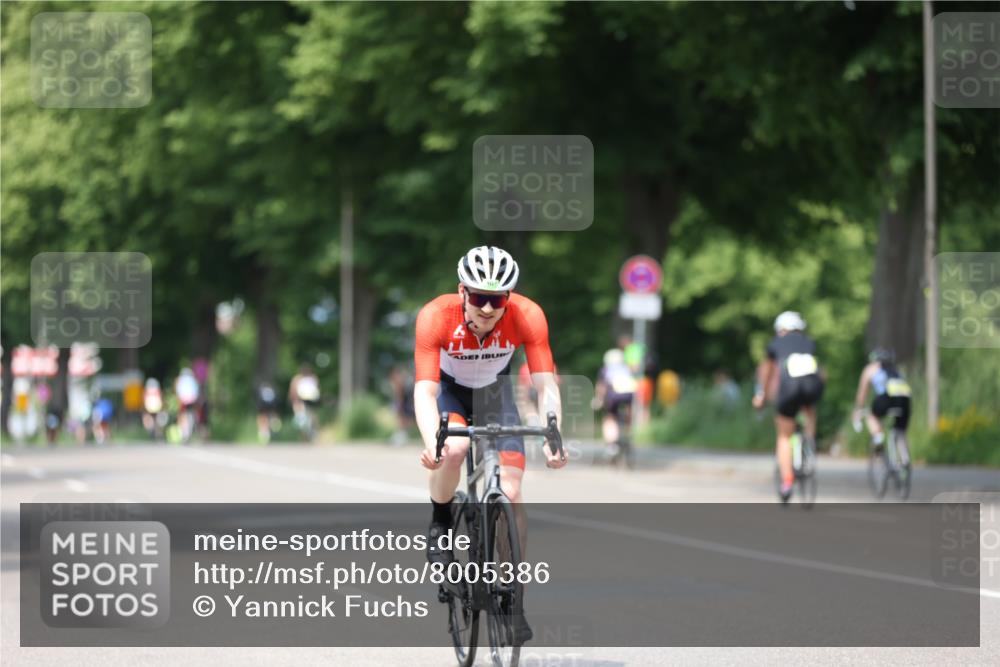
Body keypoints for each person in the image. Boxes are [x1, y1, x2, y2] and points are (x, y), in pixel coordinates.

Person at [414, 246, 565, 641]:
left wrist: (553, 432)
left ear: (508, 298)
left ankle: (513, 595)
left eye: (496, 299)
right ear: (461, 290)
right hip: (451, 394)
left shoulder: (527, 315)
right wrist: (434, 441)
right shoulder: (435, 316)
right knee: (457, 449)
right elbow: (425, 392)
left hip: (496, 396)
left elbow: (546, 383)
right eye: (478, 297)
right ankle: (440, 521)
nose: (486, 308)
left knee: (511, 491)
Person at [752, 311, 824, 503]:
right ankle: (809, 443)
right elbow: (821, 372)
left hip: (789, 388)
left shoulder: (775, 344)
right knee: (809, 410)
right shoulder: (809, 343)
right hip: (812, 385)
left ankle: (787, 481)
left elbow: (767, 373)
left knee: (784, 435)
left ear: (780, 329)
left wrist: (761, 396)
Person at [852, 348, 911, 461]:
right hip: (905, 398)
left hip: (886, 397)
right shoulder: (896, 369)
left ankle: (878, 438)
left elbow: (862, 394)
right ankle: (904, 459)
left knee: (871, 414)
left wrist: (858, 409)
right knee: (900, 430)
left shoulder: (871, 369)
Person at [594, 347, 637, 456]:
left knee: (609, 417)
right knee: (628, 412)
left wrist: (599, 399)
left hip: (614, 395)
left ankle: (611, 444)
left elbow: (601, 386)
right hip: (629, 394)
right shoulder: (626, 368)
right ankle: (628, 432)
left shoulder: (606, 369)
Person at [288, 364, 320, 438]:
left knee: (303, 418)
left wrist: (292, 400)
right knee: (306, 417)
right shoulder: (312, 378)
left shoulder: (298, 379)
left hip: (302, 401)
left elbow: (292, 391)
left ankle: (307, 435)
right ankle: (308, 434)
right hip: (304, 401)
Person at [174, 368, 200, 442]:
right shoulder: (193, 380)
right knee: (192, 414)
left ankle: (184, 432)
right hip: (192, 400)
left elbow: (178, 391)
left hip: (184, 401)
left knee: (182, 416)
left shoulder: (180, 380)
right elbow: (196, 391)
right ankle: (191, 428)